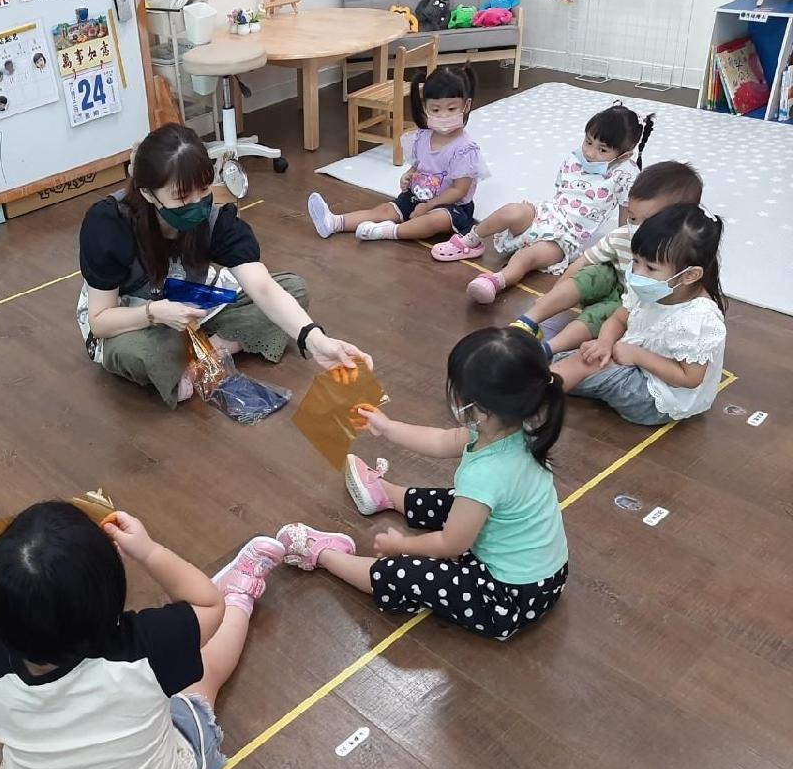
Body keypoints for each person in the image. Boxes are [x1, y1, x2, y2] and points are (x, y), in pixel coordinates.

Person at [0, 502, 283, 769]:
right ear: (111, 593)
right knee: (201, 678)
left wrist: (10, 588)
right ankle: (242, 595)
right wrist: (148, 551)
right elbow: (208, 604)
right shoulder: (143, 645)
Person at [274, 327, 569, 641]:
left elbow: (452, 545)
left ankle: (324, 556)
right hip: (542, 579)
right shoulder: (515, 427)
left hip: (506, 599)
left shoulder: (486, 473)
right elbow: (441, 440)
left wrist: (400, 546)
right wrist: (387, 427)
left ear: (479, 407)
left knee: (401, 573)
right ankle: (384, 493)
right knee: (459, 500)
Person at [78, 122, 371, 407]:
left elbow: (263, 287)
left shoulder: (216, 220)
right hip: (134, 315)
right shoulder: (109, 224)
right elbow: (100, 321)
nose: (197, 203)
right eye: (182, 197)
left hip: (190, 302)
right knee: (144, 354)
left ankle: (203, 353)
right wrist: (154, 313)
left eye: (204, 190)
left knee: (292, 290)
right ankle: (191, 351)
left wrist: (314, 339)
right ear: (147, 193)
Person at [432, 102, 655, 304]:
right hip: (548, 214)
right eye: (588, 141)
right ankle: (470, 240)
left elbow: (627, 219)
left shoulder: (625, 175)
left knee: (526, 257)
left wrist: (624, 249)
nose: (589, 152)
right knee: (511, 211)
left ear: (624, 155)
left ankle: (495, 281)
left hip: (567, 237)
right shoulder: (575, 158)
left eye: (602, 150)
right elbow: (561, 192)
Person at [551, 203, 727, 425]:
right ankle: (542, 381)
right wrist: (604, 343)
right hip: (629, 360)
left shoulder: (698, 318)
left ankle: (533, 397)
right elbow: (617, 318)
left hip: (657, 398)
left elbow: (690, 378)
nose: (637, 273)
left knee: (583, 366)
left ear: (690, 275)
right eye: (636, 261)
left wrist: (636, 355)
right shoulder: (651, 286)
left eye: (651, 268)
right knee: (578, 359)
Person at [510, 161, 703, 360]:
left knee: (602, 315)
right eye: (632, 218)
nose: (636, 227)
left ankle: (548, 348)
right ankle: (528, 320)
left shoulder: (685, 257)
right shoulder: (622, 236)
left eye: (649, 222)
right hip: (614, 289)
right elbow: (582, 262)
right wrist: (553, 295)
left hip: (632, 308)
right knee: (595, 272)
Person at [307, 66, 488, 242]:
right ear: (425, 108)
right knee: (384, 210)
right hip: (420, 197)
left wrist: (428, 207)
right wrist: (409, 175)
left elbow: (459, 190)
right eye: (435, 110)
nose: (443, 116)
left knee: (434, 220)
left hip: (451, 207)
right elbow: (419, 165)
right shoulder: (422, 138)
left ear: (466, 105)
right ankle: (335, 222)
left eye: (451, 109)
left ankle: (389, 231)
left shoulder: (465, 149)